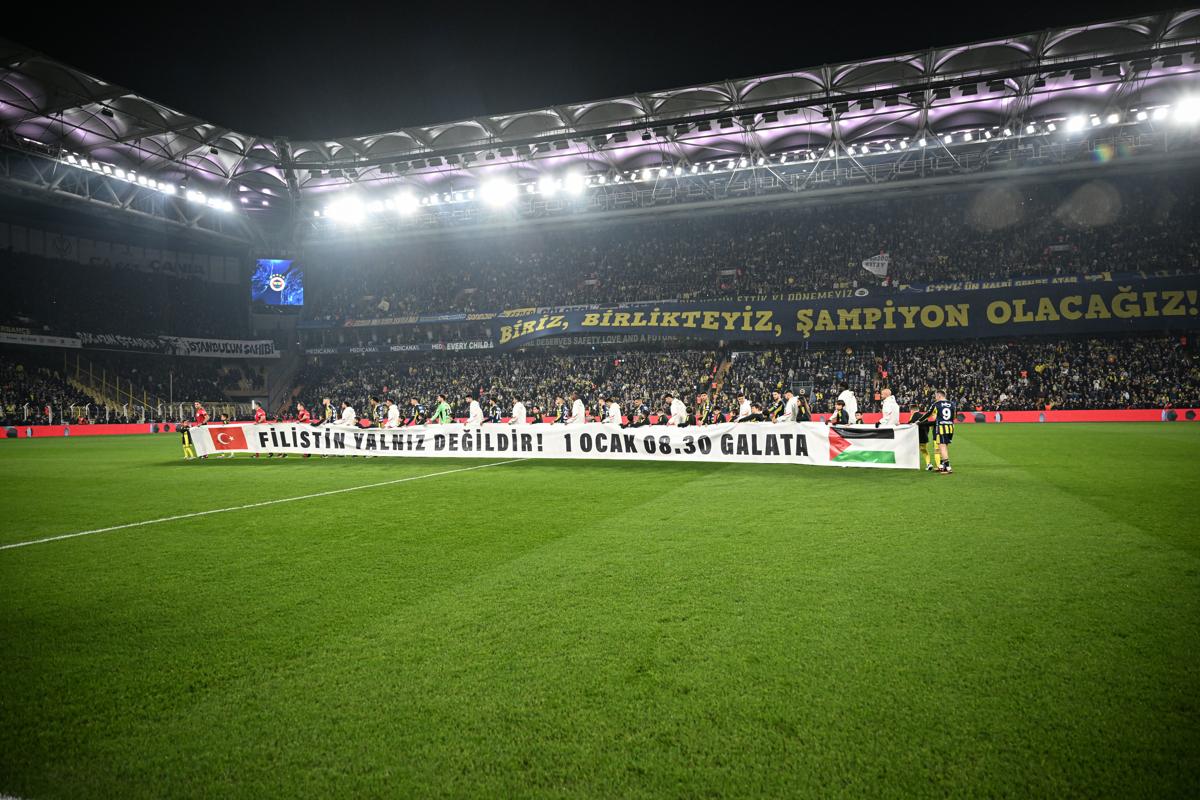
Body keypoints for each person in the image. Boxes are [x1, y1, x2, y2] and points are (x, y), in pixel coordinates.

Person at [920, 390, 956, 473]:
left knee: (942, 447)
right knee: (945, 446)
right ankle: (943, 465)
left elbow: (928, 414)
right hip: (950, 427)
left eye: (936, 396)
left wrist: (919, 420)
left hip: (941, 427)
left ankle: (948, 467)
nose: (935, 398)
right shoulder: (952, 404)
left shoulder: (936, 404)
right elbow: (954, 416)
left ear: (939, 396)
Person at [906, 404, 938, 471]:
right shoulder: (924, 416)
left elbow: (908, 426)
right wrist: (926, 435)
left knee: (911, 451)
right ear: (918, 409)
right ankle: (928, 464)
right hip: (923, 437)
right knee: (924, 451)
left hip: (915, 438)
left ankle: (911, 464)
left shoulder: (912, 417)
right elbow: (927, 427)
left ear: (912, 410)